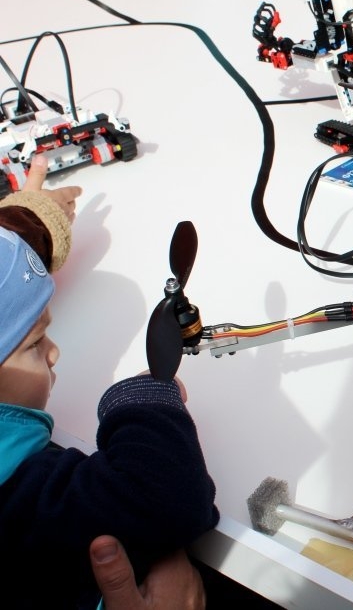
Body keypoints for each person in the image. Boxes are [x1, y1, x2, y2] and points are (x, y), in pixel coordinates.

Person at [0, 158, 220, 608]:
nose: (53, 353)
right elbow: (167, 495)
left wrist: (32, 222)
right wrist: (142, 402)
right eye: (34, 344)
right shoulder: (20, 497)